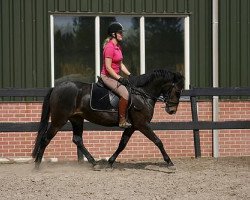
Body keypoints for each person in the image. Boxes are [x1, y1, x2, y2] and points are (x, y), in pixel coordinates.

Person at [100, 21, 132, 128]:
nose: (122, 34)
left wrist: (130, 75)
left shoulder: (118, 47)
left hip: (115, 76)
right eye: (120, 33)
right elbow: (108, 68)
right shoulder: (109, 47)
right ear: (113, 34)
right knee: (125, 94)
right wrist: (120, 78)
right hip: (107, 77)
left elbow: (121, 64)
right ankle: (122, 120)